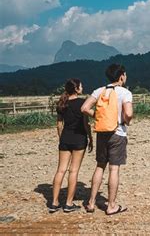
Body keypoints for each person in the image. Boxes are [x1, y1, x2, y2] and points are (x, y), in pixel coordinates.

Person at [81, 64, 133, 215]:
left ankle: (91, 203)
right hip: (118, 134)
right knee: (114, 169)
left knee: (100, 166)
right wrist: (126, 121)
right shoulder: (125, 93)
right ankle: (111, 206)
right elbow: (128, 113)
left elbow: (84, 108)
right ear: (121, 76)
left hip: (102, 132)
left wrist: (98, 116)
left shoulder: (99, 91)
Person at [50, 79, 93, 213]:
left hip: (65, 139)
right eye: (81, 85)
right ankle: (68, 203)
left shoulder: (62, 103)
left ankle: (54, 202)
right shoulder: (82, 103)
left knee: (60, 170)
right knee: (73, 171)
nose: (82, 87)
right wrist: (90, 138)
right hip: (79, 139)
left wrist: (61, 138)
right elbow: (86, 124)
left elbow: (59, 125)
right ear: (76, 89)